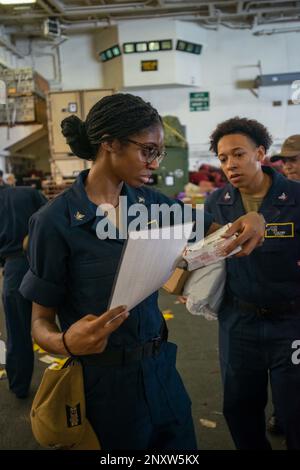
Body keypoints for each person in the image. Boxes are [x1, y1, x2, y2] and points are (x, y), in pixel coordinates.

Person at [20, 94, 265, 451]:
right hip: (102, 385)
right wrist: (66, 342)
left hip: (161, 372)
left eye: (158, 153)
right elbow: (39, 323)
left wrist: (251, 219)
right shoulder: (54, 222)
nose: (155, 162)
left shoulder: (151, 204)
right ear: (110, 144)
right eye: (148, 150)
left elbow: (217, 228)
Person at [205, 117, 300, 450]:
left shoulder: (296, 197)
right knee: (240, 409)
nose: (230, 164)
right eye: (223, 158)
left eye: (238, 154)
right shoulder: (217, 202)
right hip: (238, 322)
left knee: (295, 411)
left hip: (291, 322)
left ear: (260, 153)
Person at [0, 184, 47, 398]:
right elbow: (53, 218)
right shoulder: (29, 193)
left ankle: (19, 387)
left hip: (14, 269)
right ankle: (80, 380)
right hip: (45, 264)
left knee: (18, 332)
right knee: (68, 323)